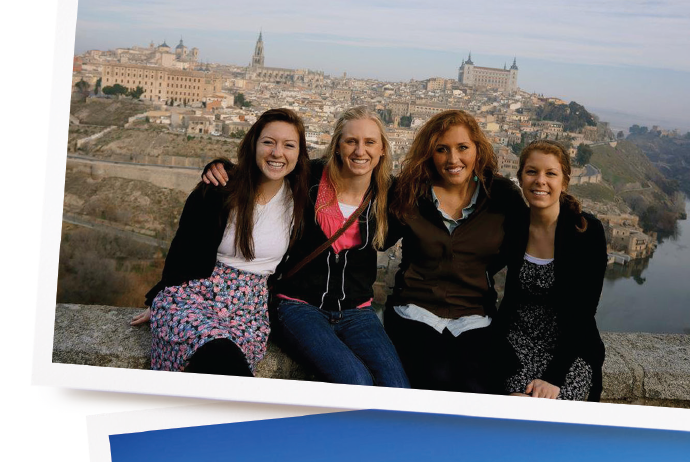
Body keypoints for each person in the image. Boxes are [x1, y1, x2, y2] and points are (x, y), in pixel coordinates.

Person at [201, 107, 409, 388]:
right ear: (336, 146)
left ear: (383, 149)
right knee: (355, 380)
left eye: (370, 142)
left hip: (357, 311)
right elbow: (267, 167)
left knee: (397, 387)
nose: (360, 151)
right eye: (351, 141)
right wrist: (220, 166)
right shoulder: (307, 177)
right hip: (298, 306)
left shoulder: (389, 195)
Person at [130, 108, 309, 376]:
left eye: (288, 145)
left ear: (299, 153)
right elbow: (183, 246)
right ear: (254, 145)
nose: (277, 152)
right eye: (268, 142)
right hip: (193, 294)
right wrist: (158, 298)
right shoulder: (219, 188)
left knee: (226, 366)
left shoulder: (302, 197)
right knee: (219, 355)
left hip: (249, 309)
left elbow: (351, 167)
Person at [384, 109, 528, 393]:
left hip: (474, 313)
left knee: (479, 386)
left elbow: (524, 247)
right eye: (442, 150)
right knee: (434, 378)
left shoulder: (500, 195)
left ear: (477, 149)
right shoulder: (411, 191)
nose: (453, 160)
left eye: (462, 148)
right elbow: (376, 239)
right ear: (430, 153)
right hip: (415, 309)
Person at [498, 142, 608, 401]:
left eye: (550, 173)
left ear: (565, 182)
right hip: (516, 343)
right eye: (531, 172)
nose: (540, 181)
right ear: (521, 178)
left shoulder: (587, 231)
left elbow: (584, 312)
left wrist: (554, 377)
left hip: (569, 349)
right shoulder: (515, 225)